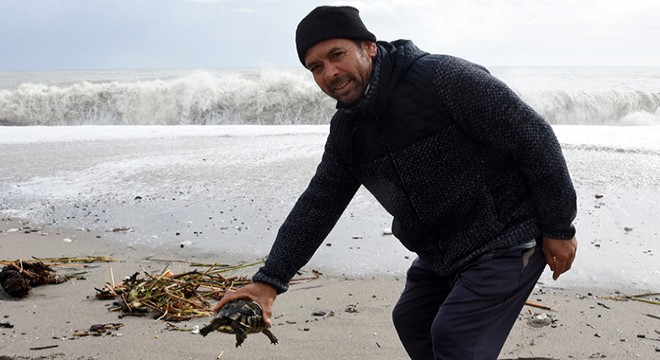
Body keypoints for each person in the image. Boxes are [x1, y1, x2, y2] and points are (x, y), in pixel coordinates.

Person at [215, 5, 578, 359]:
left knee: (455, 336)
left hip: (508, 236)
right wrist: (269, 281)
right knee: (413, 320)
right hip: (442, 253)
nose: (330, 73)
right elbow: (319, 204)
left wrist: (559, 226)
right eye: (316, 67)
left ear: (369, 46)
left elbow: (532, 136)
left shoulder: (442, 78)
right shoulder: (348, 130)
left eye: (337, 54)